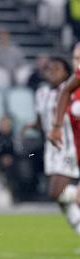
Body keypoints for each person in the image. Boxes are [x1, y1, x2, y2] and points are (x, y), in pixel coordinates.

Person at [44, 50, 80, 236]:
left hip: (68, 150)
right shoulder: (44, 93)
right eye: (76, 58)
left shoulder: (70, 90)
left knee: (58, 193)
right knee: (61, 198)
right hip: (59, 149)